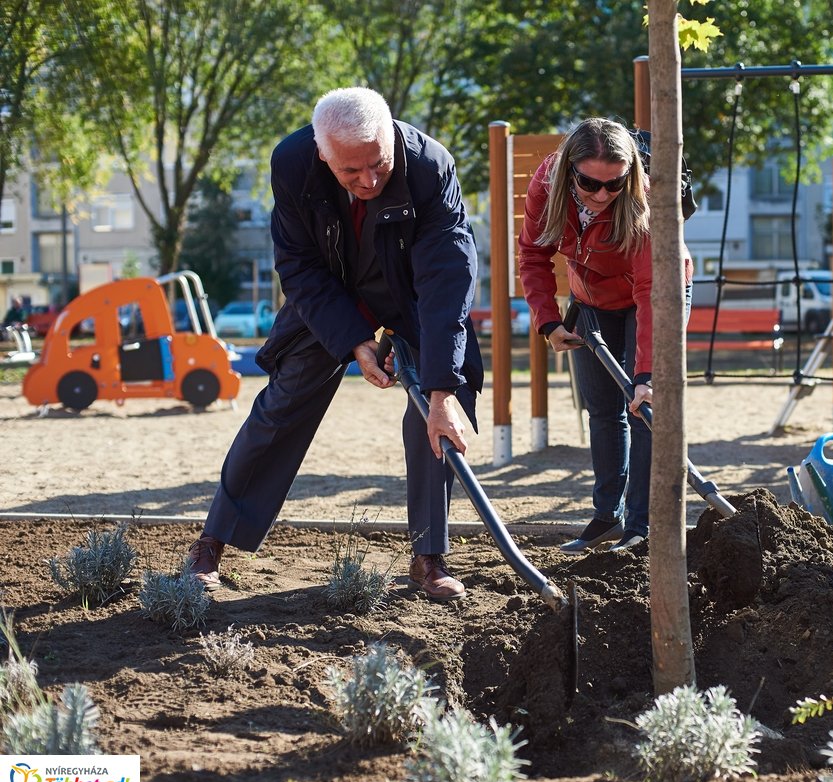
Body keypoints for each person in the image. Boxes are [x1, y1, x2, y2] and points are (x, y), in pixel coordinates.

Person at [185, 87, 484, 600]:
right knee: (281, 405)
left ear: (392, 136)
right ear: (324, 154)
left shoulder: (430, 166)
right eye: (352, 172)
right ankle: (212, 542)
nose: (369, 180)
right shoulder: (293, 162)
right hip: (332, 292)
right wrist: (353, 342)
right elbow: (298, 265)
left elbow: (448, 278)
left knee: (437, 413)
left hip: (413, 294)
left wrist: (441, 391)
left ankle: (428, 557)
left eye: (379, 164)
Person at [518, 117, 692, 553]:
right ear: (567, 172)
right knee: (603, 410)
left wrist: (649, 373)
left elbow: (652, 290)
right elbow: (533, 251)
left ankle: (642, 525)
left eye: (614, 185)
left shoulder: (645, 201)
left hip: (654, 295)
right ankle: (606, 518)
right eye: (589, 184)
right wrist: (548, 319)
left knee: (643, 405)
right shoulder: (546, 186)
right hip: (593, 299)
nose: (601, 196)